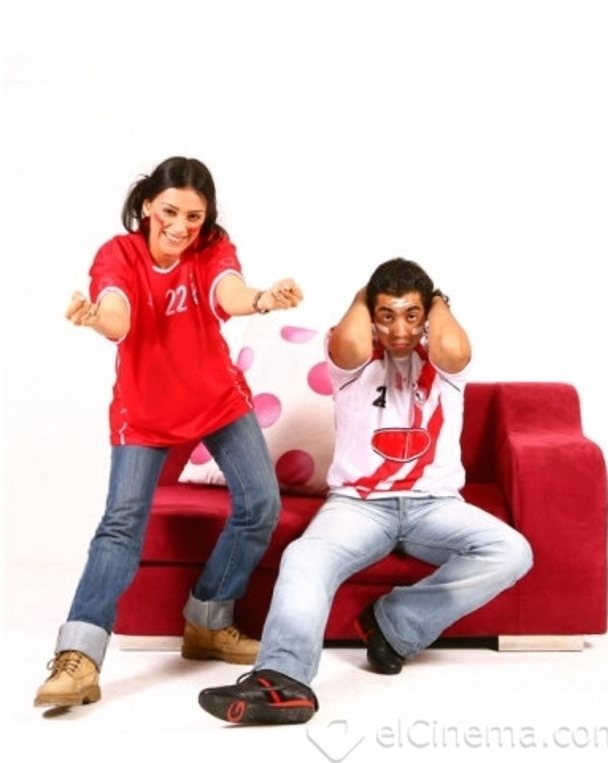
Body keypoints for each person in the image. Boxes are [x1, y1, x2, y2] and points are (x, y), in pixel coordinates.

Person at [198, 257, 533, 725]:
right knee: (305, 558)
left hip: (434, 506)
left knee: (512, 551)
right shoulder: (353, 363)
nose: (400, 329)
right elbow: (351, 341)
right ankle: (281, 680)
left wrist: (435, 302)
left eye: (412, 315)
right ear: (372, 316)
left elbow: (454, 348)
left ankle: (393, 625)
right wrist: (363, 296)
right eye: (387, 315)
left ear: (427, 316)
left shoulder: (442, 366)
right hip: (359, 506)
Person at [34, 156, 303, 708]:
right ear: (146, 207)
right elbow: (118, 314)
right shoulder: (120, 254)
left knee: (260, 506)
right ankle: (78, 658)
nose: (181, 227)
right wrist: (94, 318)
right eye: (169, 212)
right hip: (145, 414)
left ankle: (208, 620)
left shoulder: (212, 249)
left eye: (194, 217)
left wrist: (263, 300)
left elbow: (229, 293)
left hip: (217, 401)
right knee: (120, 527)